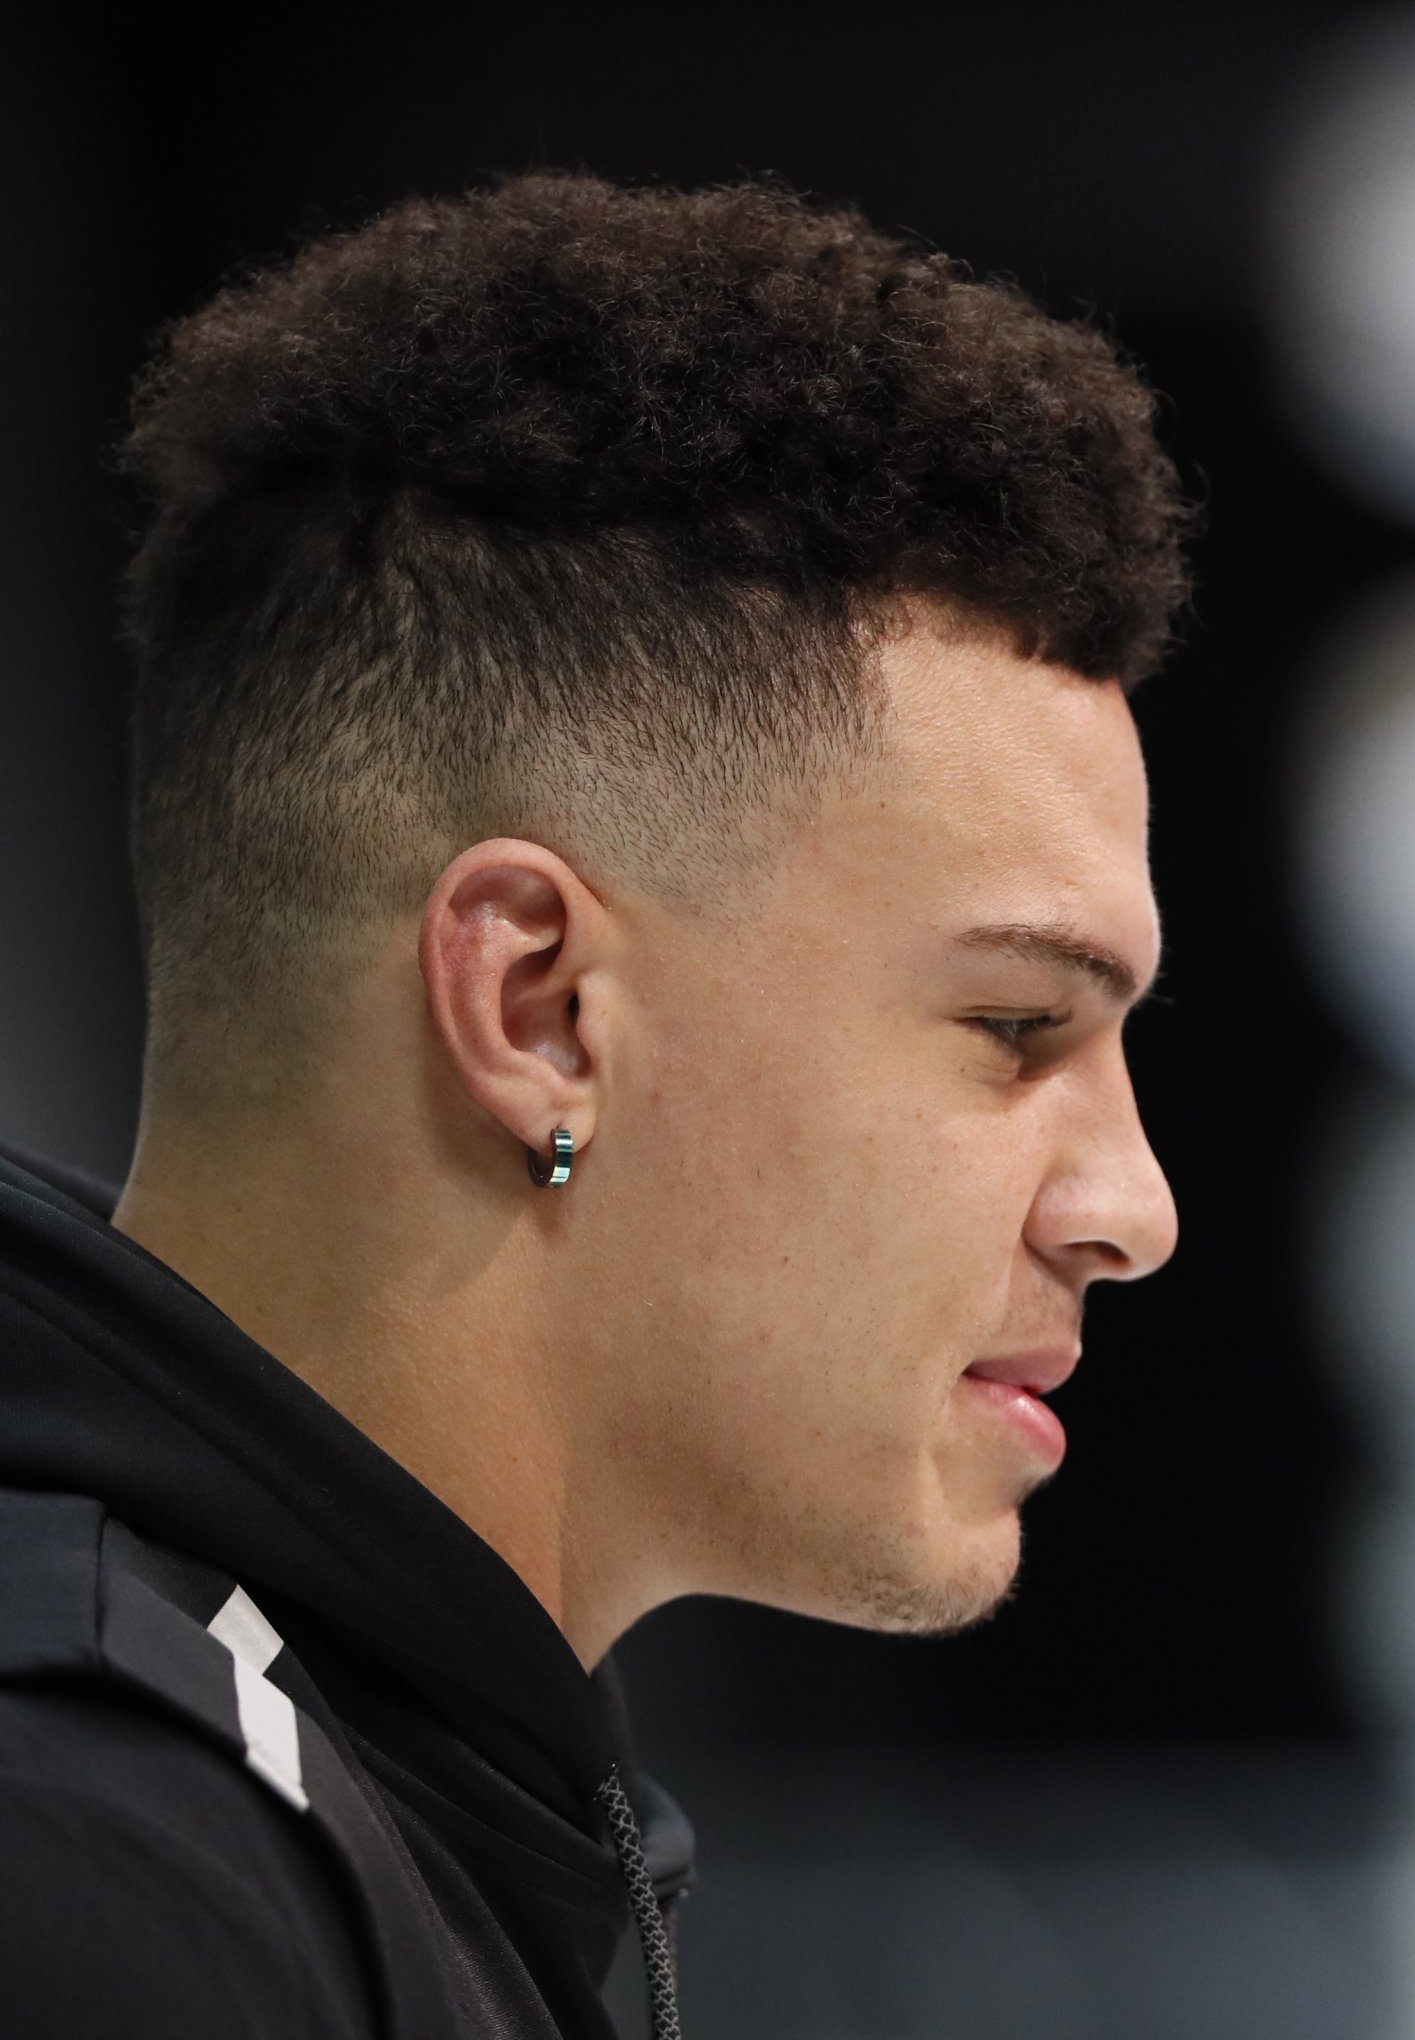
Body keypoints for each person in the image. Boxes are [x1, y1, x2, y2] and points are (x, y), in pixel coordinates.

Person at [0, 171, 1187, 2037]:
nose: (1129, 1204)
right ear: (540, 1010)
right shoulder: (102, 1877)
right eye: (1017, 1027)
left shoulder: (338, 1795)